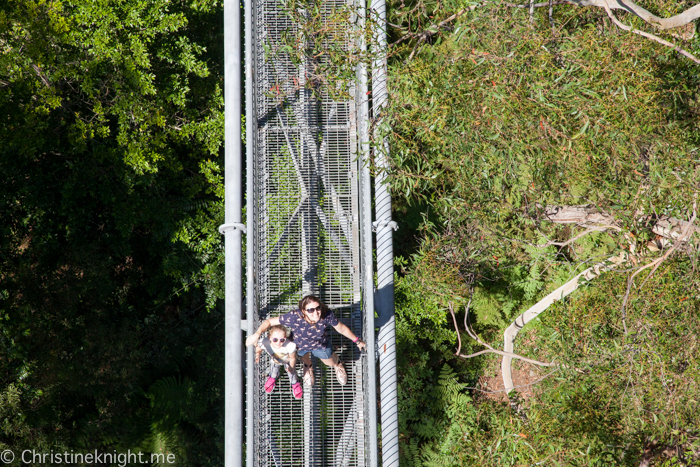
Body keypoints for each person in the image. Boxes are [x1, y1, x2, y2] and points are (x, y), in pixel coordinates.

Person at [246, 295, 366, 386]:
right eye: (311, 310)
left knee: (329, 361)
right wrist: (257, 334)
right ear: (303, 311)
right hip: (299, 346)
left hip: (321, 345)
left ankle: (337, 364)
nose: (316, 312)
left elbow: (341, 329)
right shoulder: (295, 317)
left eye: (317, 308)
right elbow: (269, 322)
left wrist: (357, 340)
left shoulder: (326, 315)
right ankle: (308, 366)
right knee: (305, 358)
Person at [255, 324, 303, 400]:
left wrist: (291, 367)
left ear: (285, 338)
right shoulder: (265, 342)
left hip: (287, 361)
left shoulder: (289, 345)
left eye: (282, 340)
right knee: (274, 370)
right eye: (275, 340)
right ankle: (272, 377)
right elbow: (258, 347)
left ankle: (295, 384)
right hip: (275, 360)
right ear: (269, 338)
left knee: (292, 373)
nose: (278, 343)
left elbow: (292, 358)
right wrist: (257, 354)